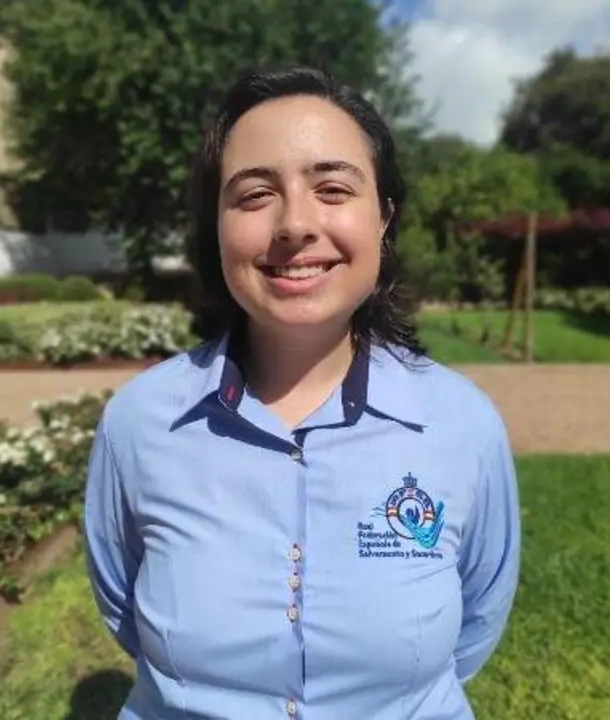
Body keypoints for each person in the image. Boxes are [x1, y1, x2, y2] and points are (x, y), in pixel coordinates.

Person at [83, 67, 521, 719]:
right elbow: (123, 608)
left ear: (383, 218)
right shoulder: (140, 423)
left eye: (333, 188)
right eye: (255, 195)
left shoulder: (462, 424)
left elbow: (477, 620)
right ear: (217, 227)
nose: (295, 224)